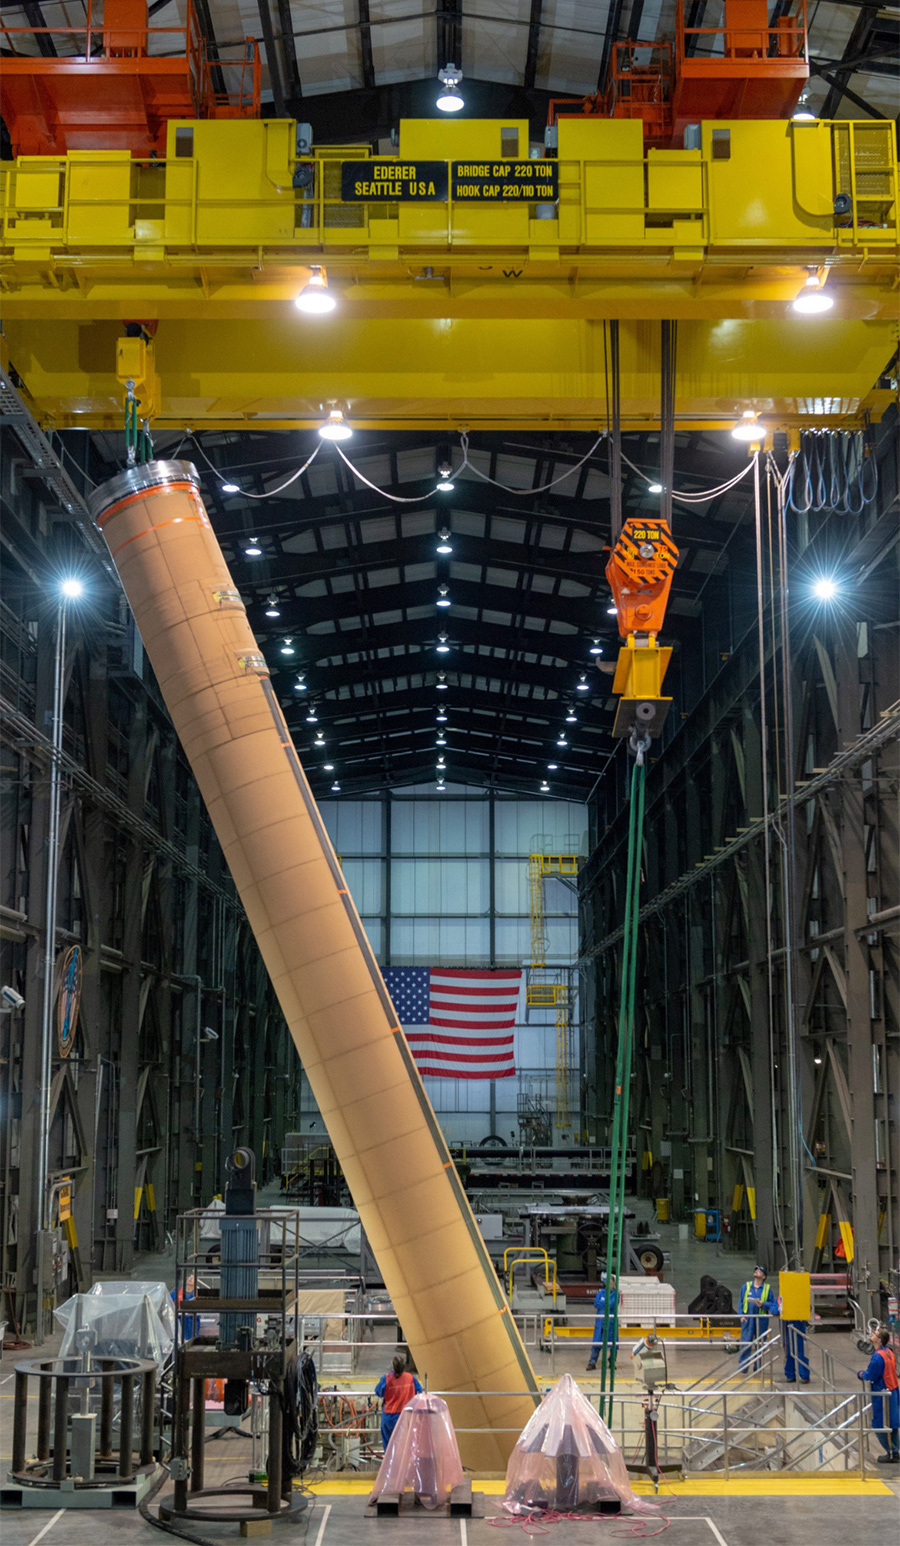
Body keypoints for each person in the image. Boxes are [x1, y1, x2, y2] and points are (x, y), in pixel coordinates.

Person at [857, 1328, 899, 1464]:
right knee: (892, 1423)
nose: (872, 1334)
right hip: (893, 1390)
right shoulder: (889, 1353)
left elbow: (870, 1375)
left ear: (879, 1339)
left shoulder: (878, 1356)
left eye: (875, 1334)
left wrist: (861, 1374)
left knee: (879, 1425)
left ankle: (891, 1452)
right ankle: (895, 1451)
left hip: (882, 1393)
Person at [375, 1354, 423, 1451]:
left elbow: (378, 1392)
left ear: (392, 1366)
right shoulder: (411, 1378)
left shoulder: (386, 1379)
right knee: (406, 1446)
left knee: (389, 1447)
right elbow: (420, 1390)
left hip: (389, 1417)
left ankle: (390, 1460)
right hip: (406, 1416)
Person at [738, 1265, 776, 1371]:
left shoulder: (767, 1289)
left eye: (759, 1271)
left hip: (761, 1320)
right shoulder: (746, 1286)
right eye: (756, 1270)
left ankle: (758, 1368)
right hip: (748, 1319)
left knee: (760, 1345)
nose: (757, 1272)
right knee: (746, 1343)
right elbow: (741, 1301)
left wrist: (763, 1304)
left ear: (764, 1277)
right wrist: (741, 1315)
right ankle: (743, 1368)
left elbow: (772, 1305)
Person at [586, 1273, 618, 1372]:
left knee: (613, 1343)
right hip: (600, 1322)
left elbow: (612, 1304)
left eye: (611, 1283)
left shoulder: (616, 1294)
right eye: (607, 1283)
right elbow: (596, 1304)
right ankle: (592, 1362)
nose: (609, 1285)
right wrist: (606, 1303)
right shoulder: (601, 1293)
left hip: (611, 1322)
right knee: (597, 1342)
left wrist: (603, 1303)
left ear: (614, 1284)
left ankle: (612, 1361)